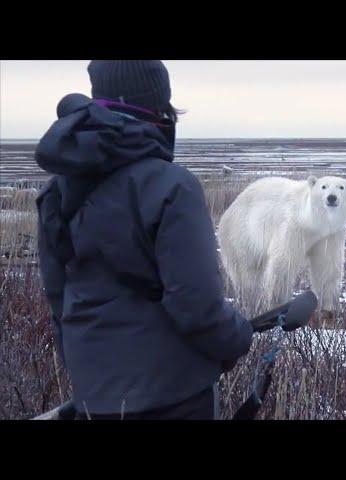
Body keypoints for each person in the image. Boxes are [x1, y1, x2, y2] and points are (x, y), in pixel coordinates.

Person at [35, 60, 253, 420]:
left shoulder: (56, 193)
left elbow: (60, 304)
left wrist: (91, 381)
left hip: (96, 400)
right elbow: (197, 306)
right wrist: (238, 339)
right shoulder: (173, 186)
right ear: (158, 108)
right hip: (175, 396)